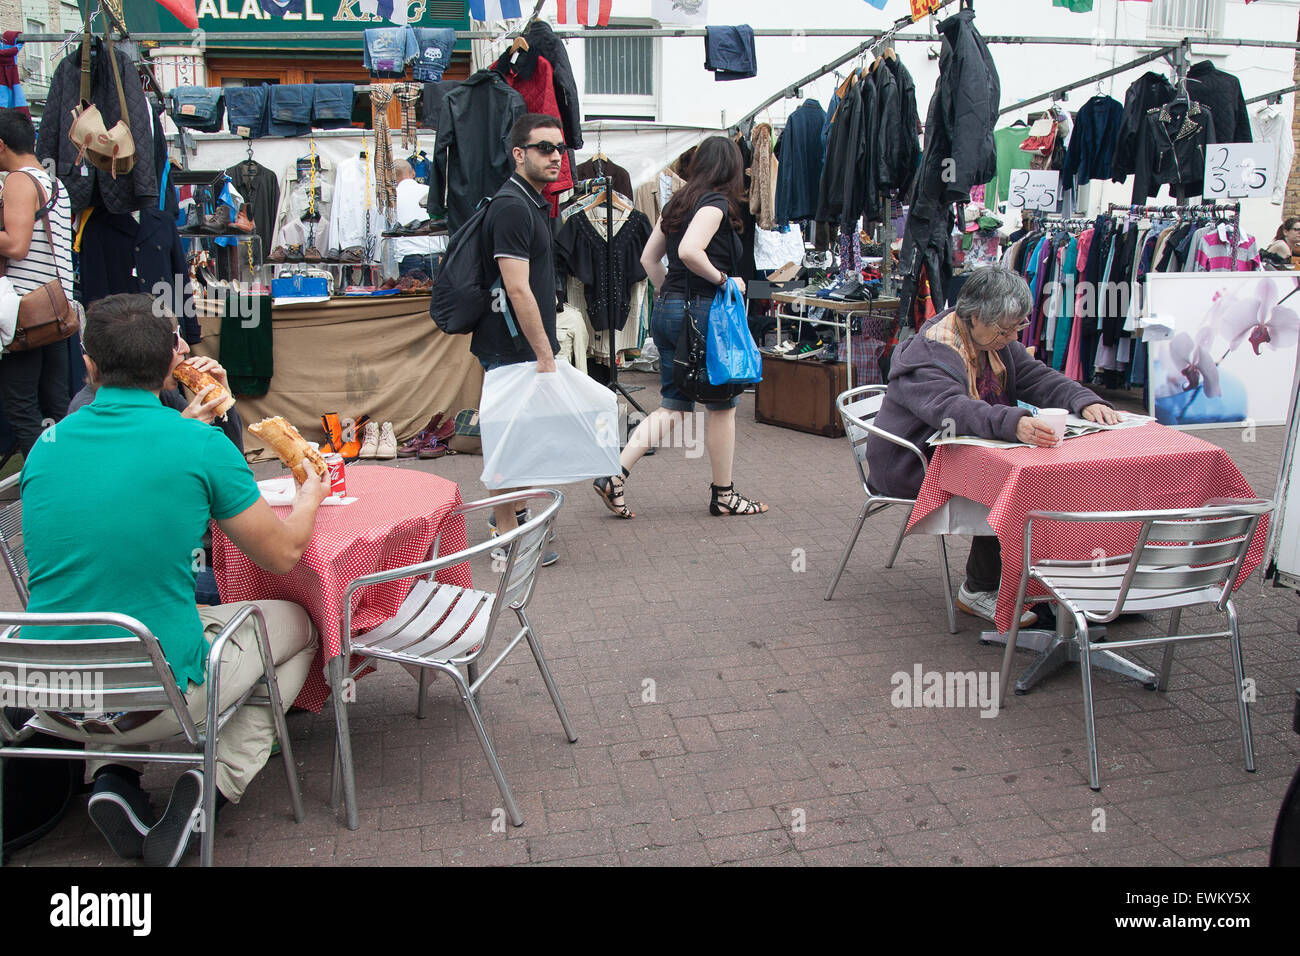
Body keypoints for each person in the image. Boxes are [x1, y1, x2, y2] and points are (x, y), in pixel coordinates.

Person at [21, 293, 328, 866]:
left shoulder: (44, 446)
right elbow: (284, 555)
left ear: (87, 364)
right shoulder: (200, 445)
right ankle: (211, 788)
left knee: (111, 606)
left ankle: (112, 775)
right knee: (302, 627)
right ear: (171, 366)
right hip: (157, 691)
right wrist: (311, 492)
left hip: (53, 689)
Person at [864, 267, 1120, 626]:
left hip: (956, 452)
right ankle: (980, 588)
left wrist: (1084, 400)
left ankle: (1058, 582)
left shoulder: (992, 341)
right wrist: (1013, 422)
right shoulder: (930, 354)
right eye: (1006, 329)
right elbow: (954, 409)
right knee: (1015, 487)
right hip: (912, 463)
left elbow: (1039, 377)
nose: (1013, 336)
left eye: (1018, 326)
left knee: (1046, 482)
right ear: (974, 318)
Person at [593, 135, 767, 519]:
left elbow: (648, 259)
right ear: (733, 169)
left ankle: (615, 475)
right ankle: (724, 495)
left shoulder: (677, 203)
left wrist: (669, 295)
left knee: (675, 404)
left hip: (670, 309)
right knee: (723, 406)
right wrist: (725, 280)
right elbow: (690, 251)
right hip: (703, 313)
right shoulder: (717, 204)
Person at [69, 349, 242, 606]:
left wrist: (223, 402)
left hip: (193, 546)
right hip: (153, 570)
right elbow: (122, 499)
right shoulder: (87, 413)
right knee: (275, 578)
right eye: (172, 340)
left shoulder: (164, 395)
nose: (184, 348)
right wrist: (175, 434)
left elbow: (233, 465)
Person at [475, 113, 566, 564]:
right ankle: (506, 540)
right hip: (512, 346)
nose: (555, 156)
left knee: (518, 437)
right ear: (518, 153)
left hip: (516, 345)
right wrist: (544, 354)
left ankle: (514, 522)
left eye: (559, 148)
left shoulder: (529, 202)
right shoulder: (513, 206)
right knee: (507, 440)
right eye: (544, 148)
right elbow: (516, 287)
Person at [0, 107, 73, 457]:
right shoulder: (54, 182)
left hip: (25, 313)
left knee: (21, 406)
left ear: (1, 146)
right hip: (55, 310)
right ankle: (69, 479)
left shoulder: (17, 180)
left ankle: (46, 486)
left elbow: (16, 244)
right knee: (55, 406)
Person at [391, 159, 447, 278]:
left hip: (407, 254)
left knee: (411, 294)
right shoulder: (429, 191)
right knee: (437, 295)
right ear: (413, 173)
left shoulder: (393, 197)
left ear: (392, 176)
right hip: (434, 253)